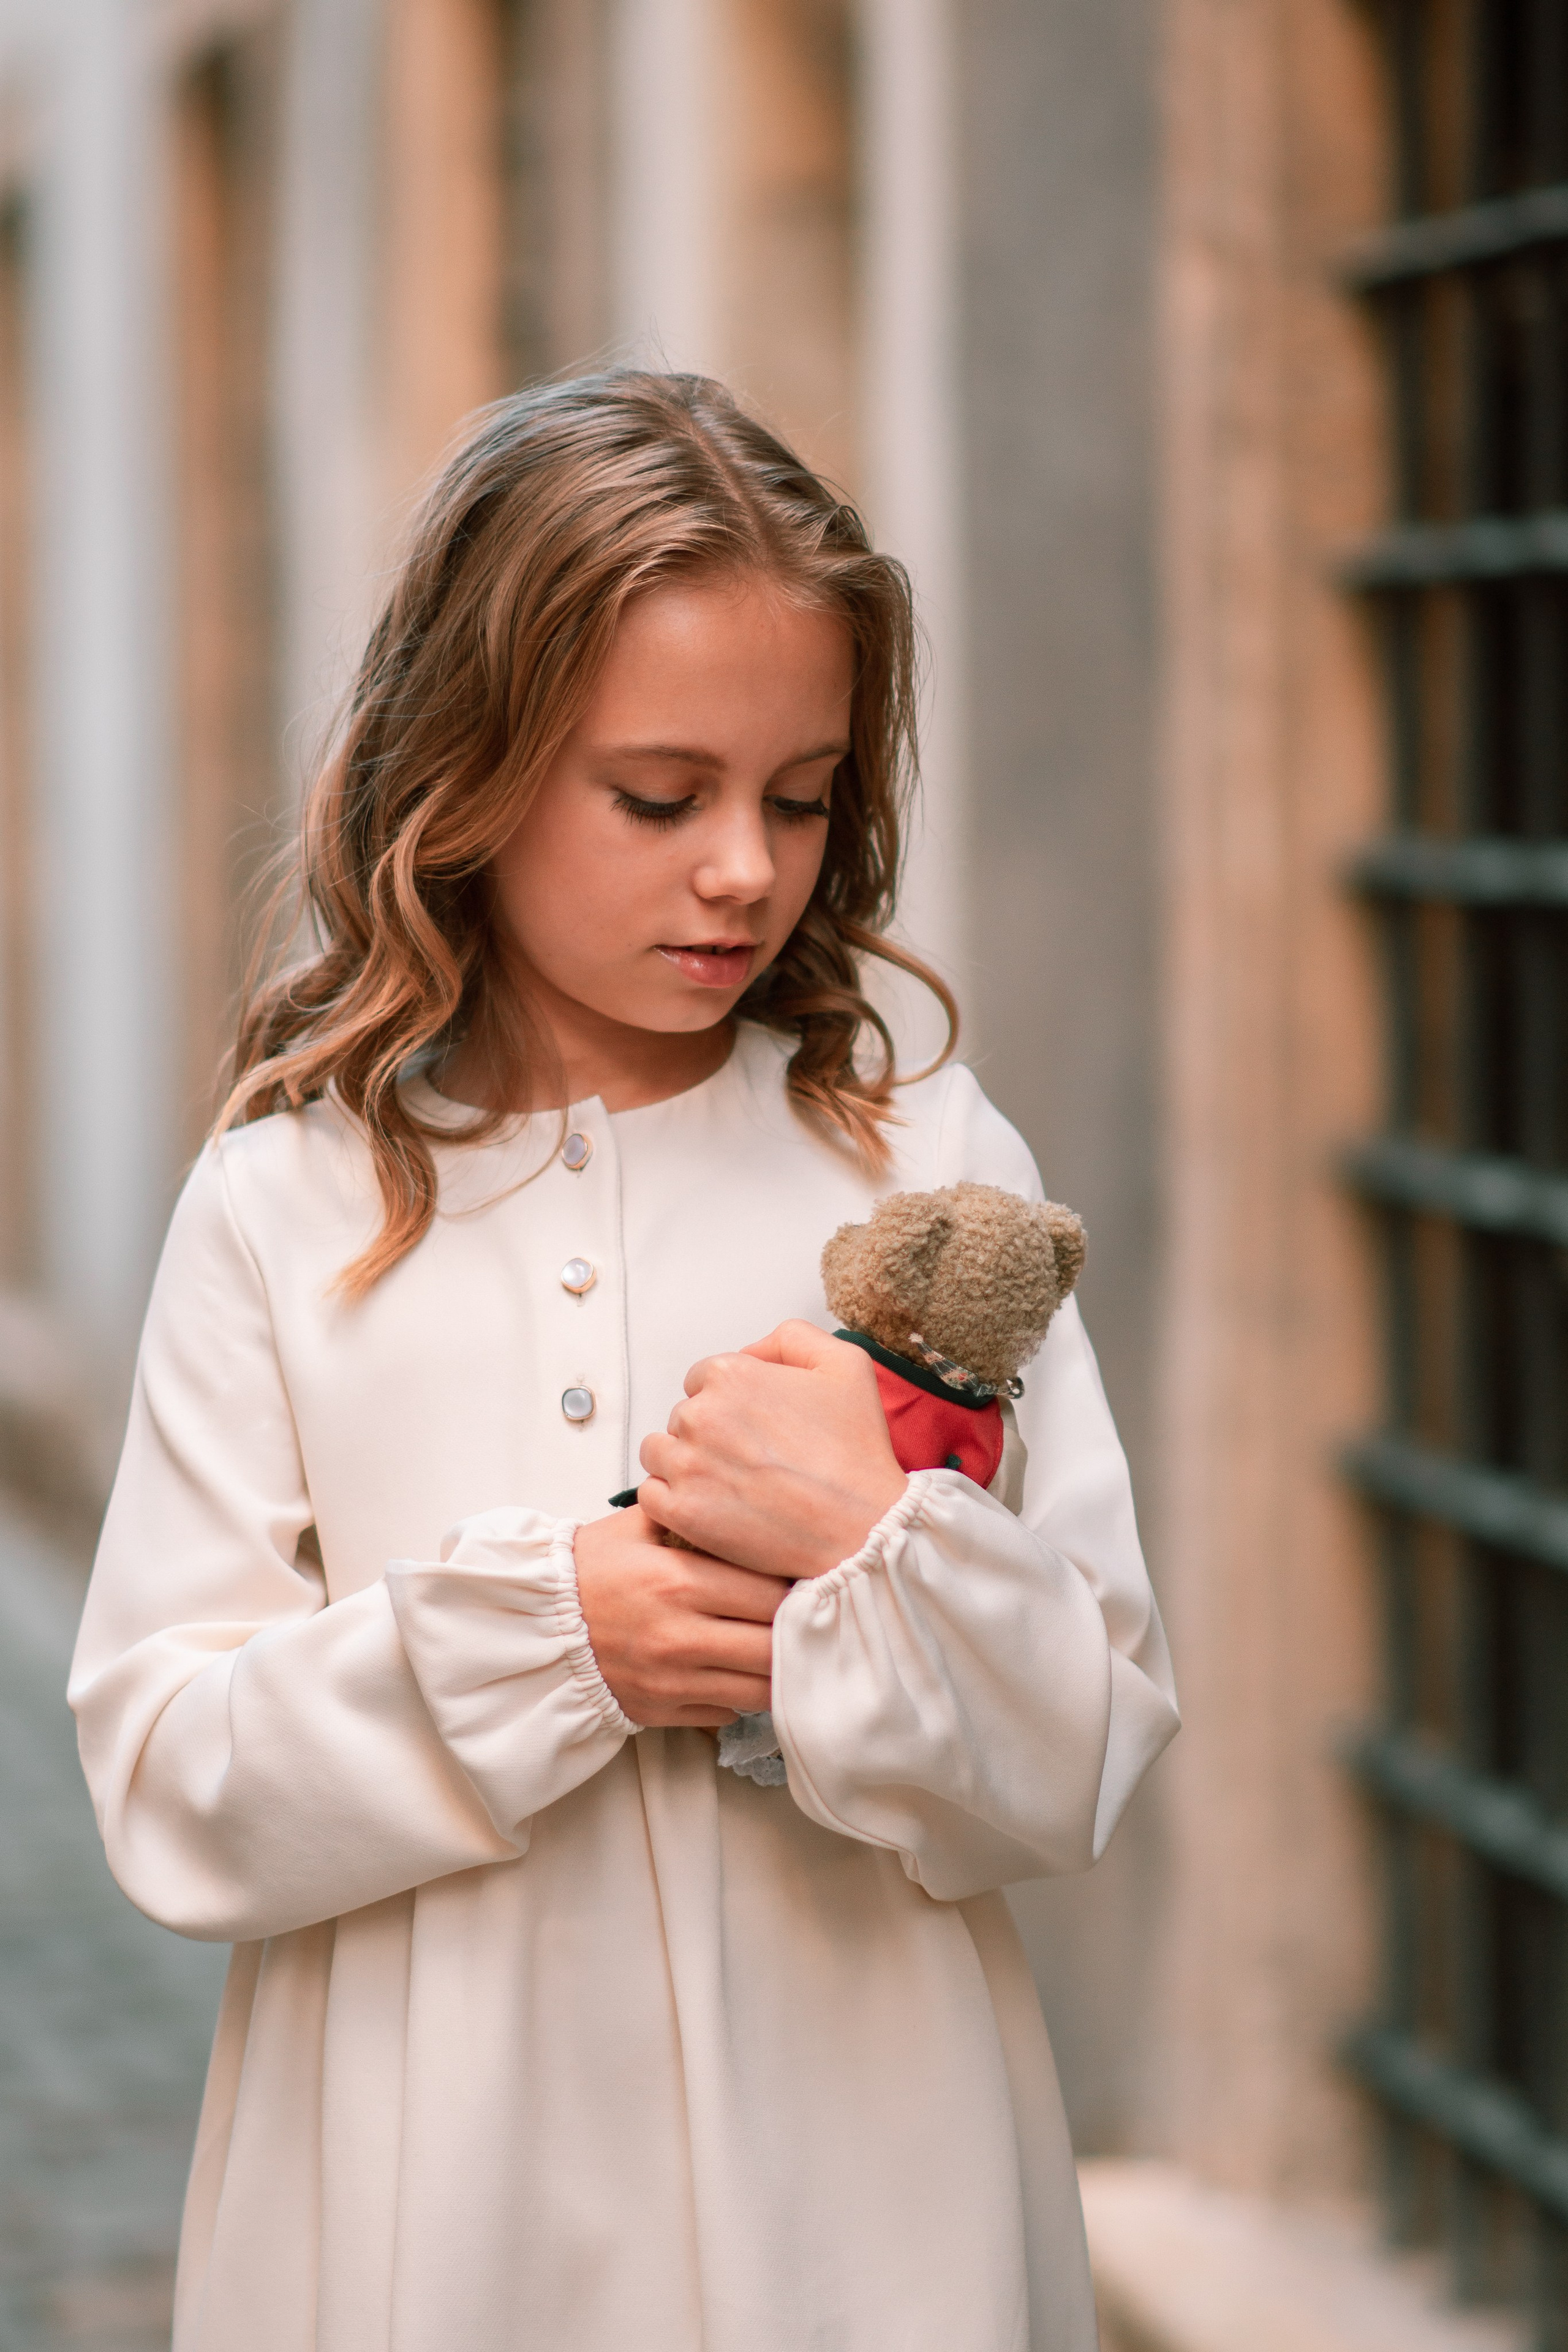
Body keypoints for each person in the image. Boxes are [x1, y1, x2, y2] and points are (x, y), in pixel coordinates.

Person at [69, 371, 1178, 2352]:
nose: (747, 869)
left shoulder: (924, 1163)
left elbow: (1077, 1761)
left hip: (872, 2210)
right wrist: (548, 1634)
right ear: (468, 771)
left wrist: (874, 1552)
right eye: (660, 798)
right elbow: (168, 1786)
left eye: (805, 793)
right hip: (425, 2217)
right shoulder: (286, 1205)